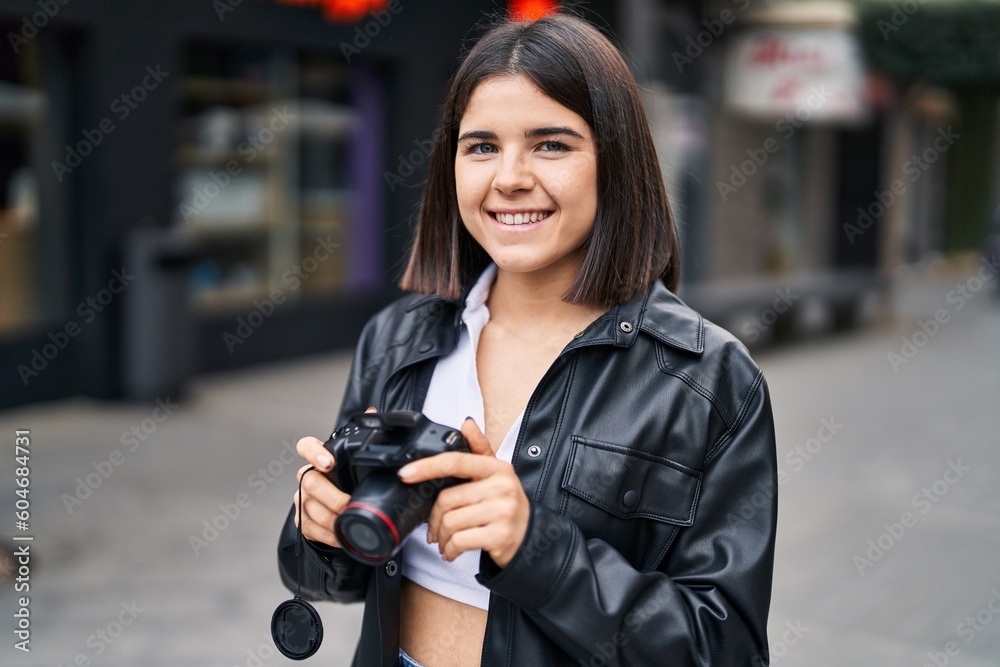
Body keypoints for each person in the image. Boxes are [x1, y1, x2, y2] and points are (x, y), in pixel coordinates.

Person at [278, 12, 777, 667]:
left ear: (614, 160)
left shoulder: (708, 377)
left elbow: (724, 650)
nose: (509, 176)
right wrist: (319, 530)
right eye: (481, 146)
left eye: (550, 144)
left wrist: (537, 547)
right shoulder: (399, 337)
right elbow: (331, 578)